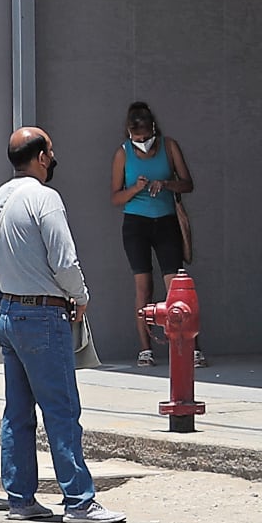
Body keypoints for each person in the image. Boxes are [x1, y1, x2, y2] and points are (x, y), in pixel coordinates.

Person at [0, 127, 122, 523]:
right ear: (42, 157)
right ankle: (79, 500)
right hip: (44, 314)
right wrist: (79, 296)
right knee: (61, 410)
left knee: (17, 413)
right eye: (52, 149)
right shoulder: (45, 198)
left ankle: (21, 498)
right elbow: (65, 259)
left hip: (8, 311)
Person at [111, 101, 199, 368]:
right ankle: (146, 348)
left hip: (166, 221)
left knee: (176, 286)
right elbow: (115, 197)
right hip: (136, 223)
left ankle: (187, 346)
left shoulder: (169, 147)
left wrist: (167, 184)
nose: (143, 143)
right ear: (129, 134)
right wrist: (135, 189)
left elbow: (188, 183)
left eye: (146, 137)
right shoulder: (123, 154)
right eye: (137, 139)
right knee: (143, 287)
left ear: (153, 129)